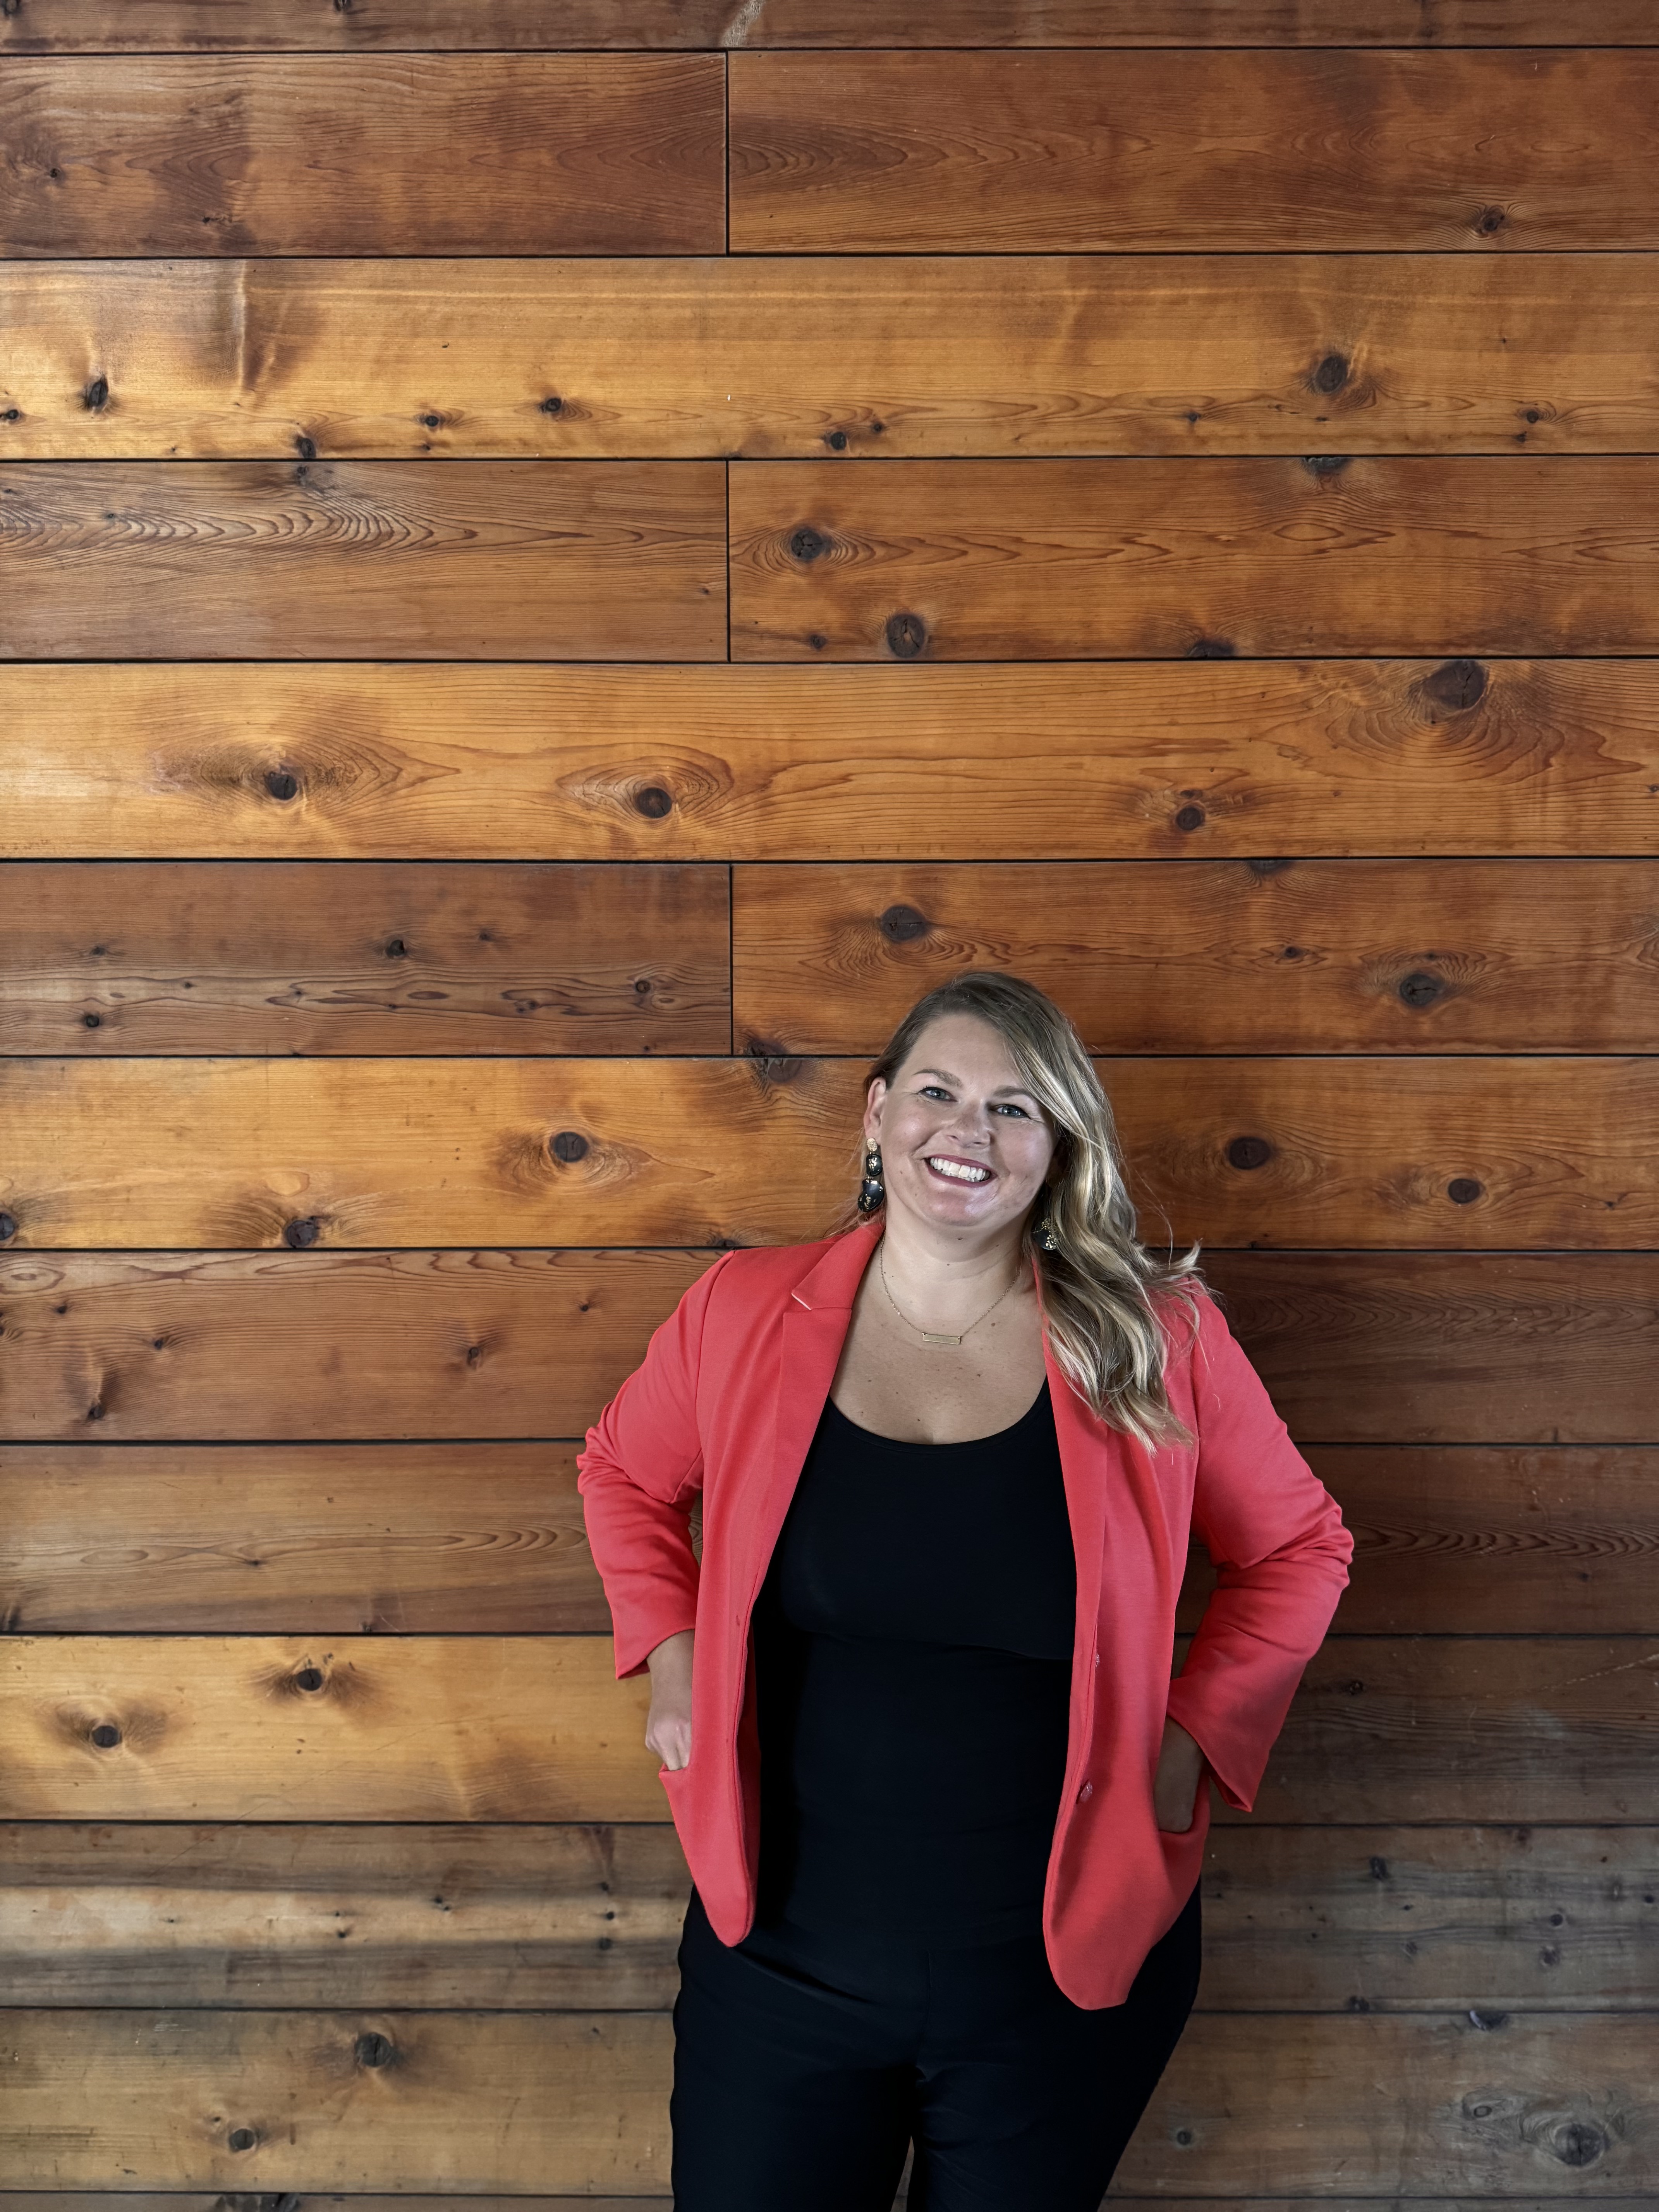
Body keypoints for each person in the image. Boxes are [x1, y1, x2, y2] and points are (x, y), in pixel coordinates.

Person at [578, 971, 1350, 2212]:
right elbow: (620, 1470)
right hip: (779, 1960)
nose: (967, 1132)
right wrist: (668, 1646)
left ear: (1057, 1150)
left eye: (1015, 1108)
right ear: (878, 1114)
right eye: (936, 1092)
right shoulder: (740, 1311)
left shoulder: (1154, 1340)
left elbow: (1300, 1547)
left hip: (1058, 1973)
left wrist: (1195, 1741)